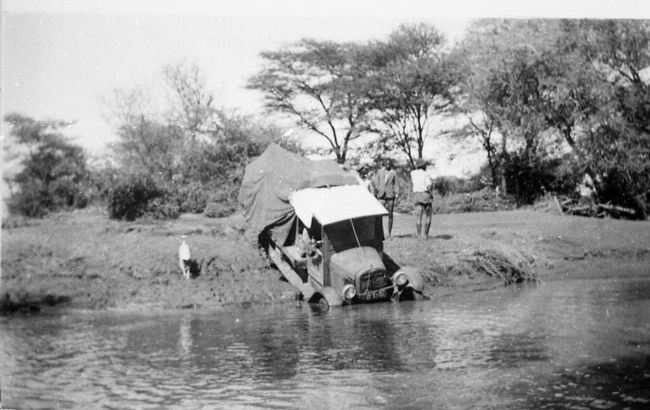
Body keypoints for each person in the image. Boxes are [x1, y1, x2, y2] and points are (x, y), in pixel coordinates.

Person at [374, 159, 399, 239]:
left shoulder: (393, 173)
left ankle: (389, 233)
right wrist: (378, 190)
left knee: (390, 214)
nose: (388, 165)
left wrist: (397, 193)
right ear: (384, 164)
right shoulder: (379, 172)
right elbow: (376, 182)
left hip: (390, 195)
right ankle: (378, 234)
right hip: (381, 195)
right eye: (386, 163)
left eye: (389, 164)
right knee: (378, 215)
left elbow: (396, 184)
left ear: (391, 164)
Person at [411, 158, 434, 239]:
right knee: (428, 216)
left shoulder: (413, 173)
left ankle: (419, 235)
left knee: (418, 217)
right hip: (425, 195)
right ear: (423, 165)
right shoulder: (426, 174)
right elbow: (429, 186)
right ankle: (426, 235)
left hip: (417, 195)